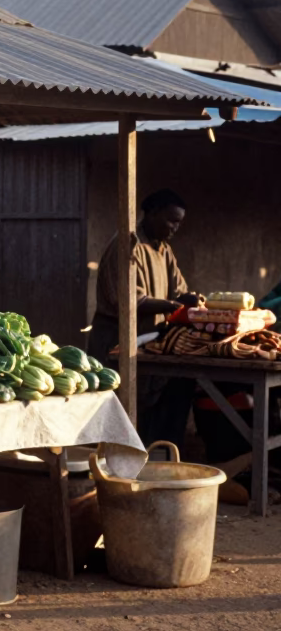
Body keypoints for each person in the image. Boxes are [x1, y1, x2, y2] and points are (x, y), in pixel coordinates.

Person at [88, 188, 201, 447]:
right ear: (152, 213)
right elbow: (127, 300)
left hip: (149, 342)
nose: (175, 228)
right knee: (119, 414)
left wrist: (191, 300)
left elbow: (179, 290)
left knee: (165, 400)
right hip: (117, 341)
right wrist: (173, 305)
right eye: (172, 220)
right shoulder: (127, 246)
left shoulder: (164, 250)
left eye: (179, 223)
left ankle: (156, 460)